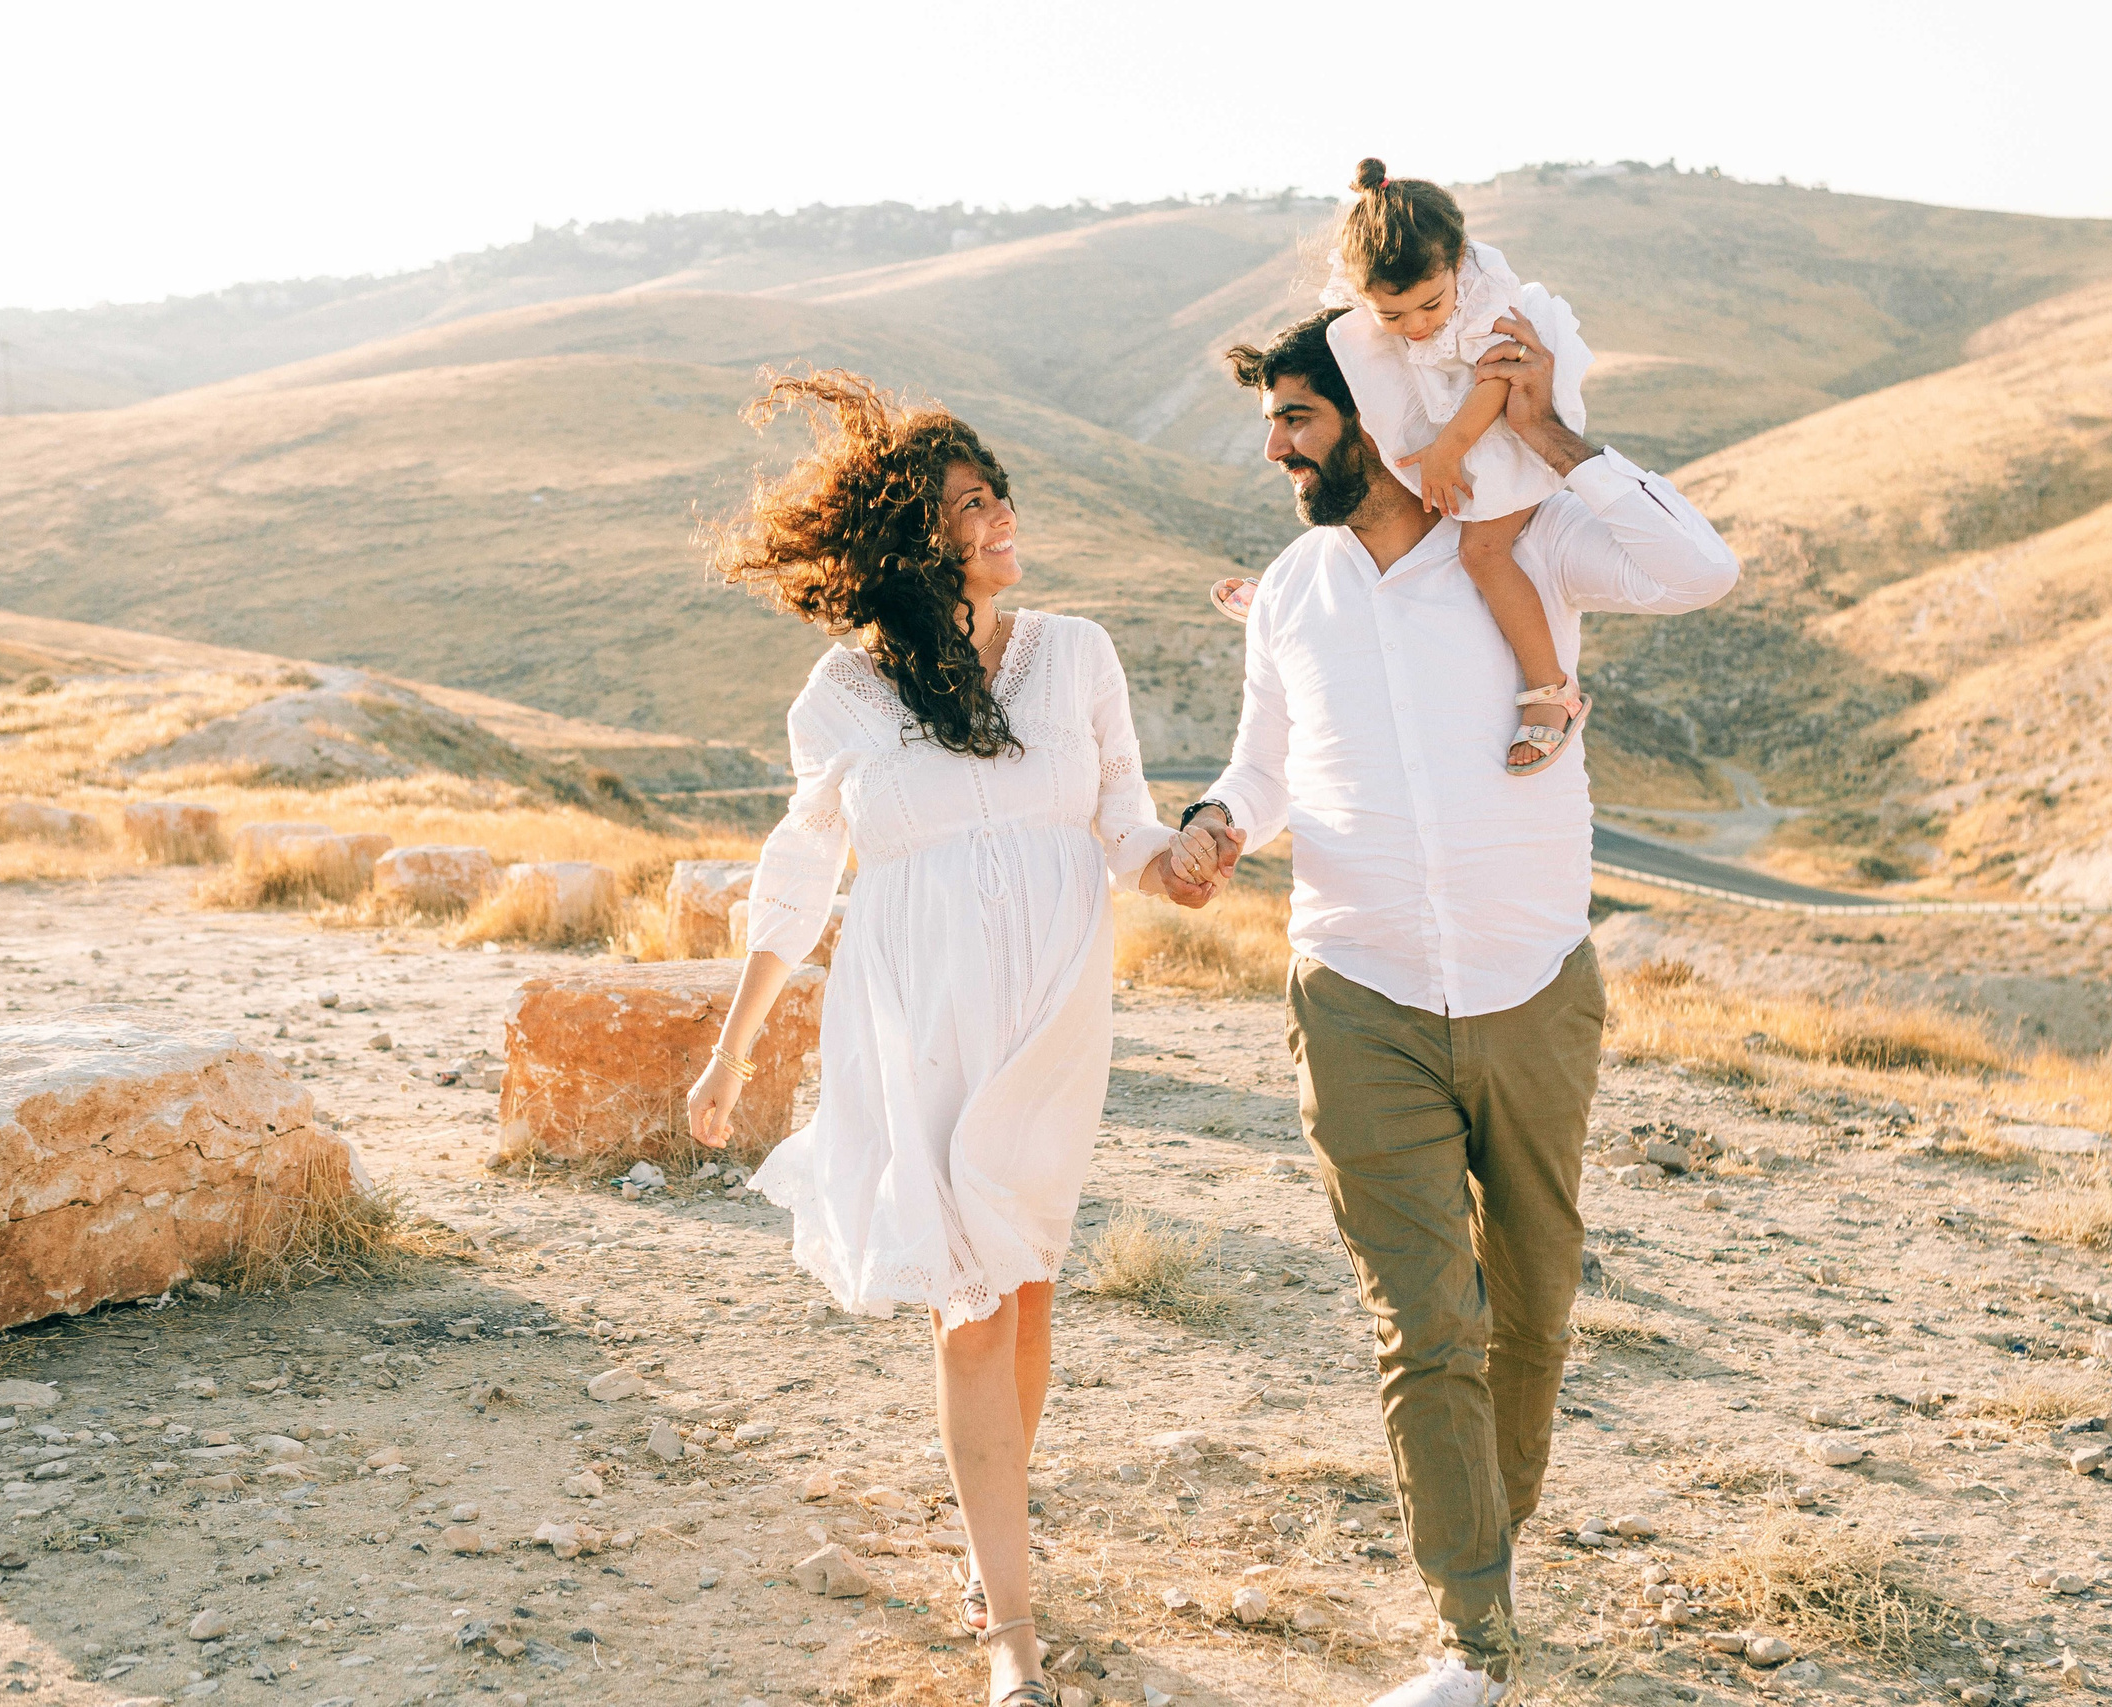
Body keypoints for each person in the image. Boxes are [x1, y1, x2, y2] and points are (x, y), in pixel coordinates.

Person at [1177, 310, 1739, 1707]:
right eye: (1275, 422)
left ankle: (1492, 1528)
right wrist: (1211, 824)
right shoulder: (1298, 591)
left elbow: (1701, 566)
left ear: (1369, 409)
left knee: (1533, 1308)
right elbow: (1264, 767)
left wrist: (1544, 430)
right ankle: (1472, 1639)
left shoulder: (1526, 544)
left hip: (1533, 980)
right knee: (1425, 1321)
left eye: (1299, 417)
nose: (1278, 446)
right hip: (1356, 987)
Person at [683, 370, 1222, 1707]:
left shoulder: (1076, 652)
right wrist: (733, 1046)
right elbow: (801, 869)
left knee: (1025, 1285)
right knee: (972, 1303)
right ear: (912, 542)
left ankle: (996, 1545)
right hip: (918, 1019)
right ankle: (1011, 1636)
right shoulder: (848, 693)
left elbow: (1123, 819)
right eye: (969, 504)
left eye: (996, 494)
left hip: (1051, 1014)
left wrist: (1182, 858)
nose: (1000, 517)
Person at [1210, 159, 1597, 778]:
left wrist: (1447, 450)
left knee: (1482, 553)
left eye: (1428, 307)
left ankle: (1552, 692)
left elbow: (1499, 378)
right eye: (1392, 318)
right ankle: (1291, 601)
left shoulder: (1482, 301)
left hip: (1503, 442)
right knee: (1351, 472)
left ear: (1456, 263)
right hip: (1450, 430)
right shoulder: (1377, 296)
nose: (1416, 328)